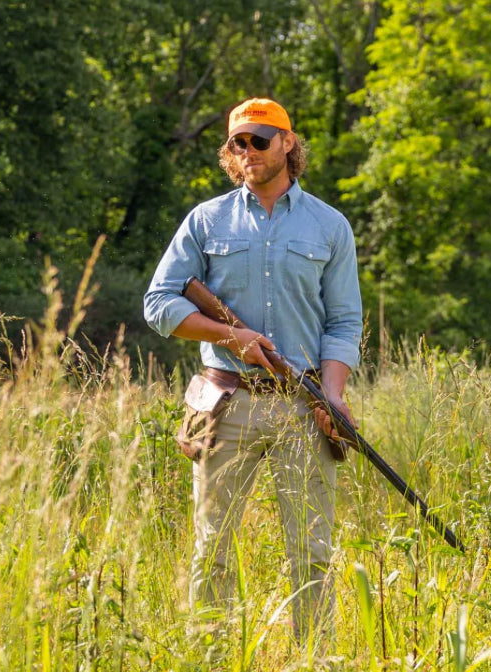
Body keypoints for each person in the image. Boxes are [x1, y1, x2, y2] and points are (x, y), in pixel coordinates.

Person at [143, 96, 363, 644]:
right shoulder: (205, 220)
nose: (247, 151)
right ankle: (213, 668)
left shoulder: (330, 226)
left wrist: (333, 395)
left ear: (288, 144)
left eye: (259, 140)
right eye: (237, 142)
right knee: (211, 545)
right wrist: (229, 336)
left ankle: (316, 668)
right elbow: (159, 303)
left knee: (311, 551)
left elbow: (343, 322)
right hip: (227, 400)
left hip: (302, 403)